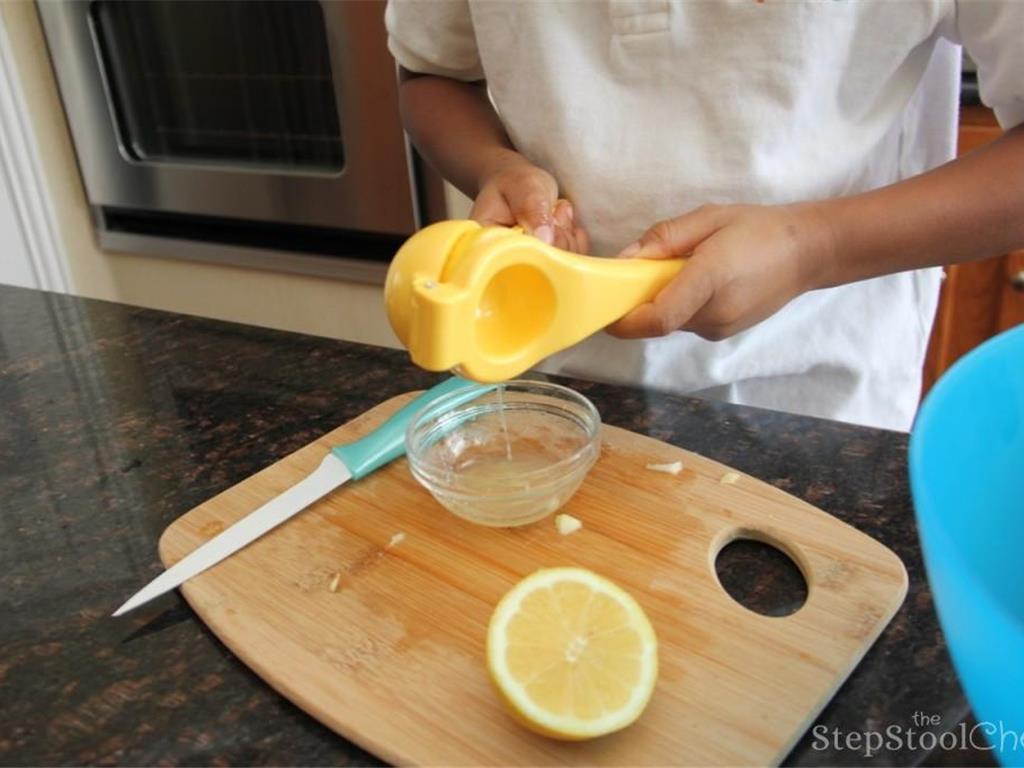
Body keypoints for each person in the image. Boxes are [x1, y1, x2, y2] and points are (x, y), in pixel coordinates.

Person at [384, 1, 1024, 431]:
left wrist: (813, 247)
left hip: (821, 394)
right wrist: (496, 167)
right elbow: (431, 70)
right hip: (546, 378)